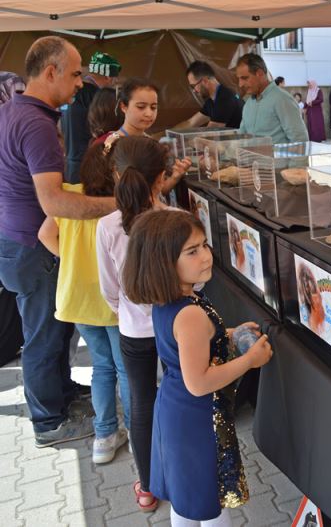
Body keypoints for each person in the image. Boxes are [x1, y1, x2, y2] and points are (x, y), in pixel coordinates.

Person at [0, 36, 116, 448]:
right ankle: (48, 421)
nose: (81, 82)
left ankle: (63, 393)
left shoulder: (14, 110)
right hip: (32, 247)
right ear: (50, 72)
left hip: (16, 240)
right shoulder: (36, 124)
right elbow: (55, 202)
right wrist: (119, 204)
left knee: (55, 329)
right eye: (75, 73)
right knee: (43, 336)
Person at [122, 210, 273, 526]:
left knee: (186, 497)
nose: (206, 256)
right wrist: (249, 361)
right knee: (209, 501)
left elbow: (191, 344)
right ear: (164, 263)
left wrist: (228, 333)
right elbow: (199, 382)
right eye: (192, 251)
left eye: (204, 245)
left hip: (176, 411)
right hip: (196, 419)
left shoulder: (178, 299)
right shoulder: (189, 314)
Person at [95, 135, 179, 512]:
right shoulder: (177, 221)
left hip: (133, 331)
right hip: (176, 327)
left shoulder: (106, 226)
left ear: (117, 175)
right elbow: (196, 281)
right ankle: (183, 474)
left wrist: (127, 311)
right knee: (184, 398)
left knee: (142, 403)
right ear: (161, 178)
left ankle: (147, 487)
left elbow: (109, 288)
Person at [37, 142, 131, 465]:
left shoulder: (70, 196)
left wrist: (71, 260)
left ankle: (104, 436)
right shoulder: (122, 205)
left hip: (78, 299)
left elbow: (45, 235)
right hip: (113, 301)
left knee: (101, 367)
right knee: (126, 368)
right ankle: (137, 433)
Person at [87, 77, 190, 196]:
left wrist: (175, 177)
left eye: (153, 107)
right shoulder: (108, 144)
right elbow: (98, 191)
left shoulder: (151, 143)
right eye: (141, 107)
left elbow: (156, 193)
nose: (149, 114)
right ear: (123, 107)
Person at [62, 51, 121, 183]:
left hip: (70, 163)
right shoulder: (95, 95)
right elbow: (108, 127)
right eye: (114, 80)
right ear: (108, 77)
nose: (113, 84)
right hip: (88, 163)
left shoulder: (72, 91)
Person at [235, 53, 308, 143]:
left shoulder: (282, 99)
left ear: (260, 73)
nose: (240, 84)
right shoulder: (248, 104)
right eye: (239, 79)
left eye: (244, 78)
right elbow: (242, 137)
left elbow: (300, 141)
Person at [176, 60, 242, 129]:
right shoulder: (212, 101)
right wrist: (168, 133)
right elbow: (190, 123)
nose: (194, 90)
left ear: (205, 81)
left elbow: (211, 131)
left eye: (193, 86)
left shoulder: (225, 99)